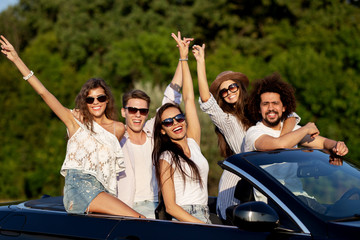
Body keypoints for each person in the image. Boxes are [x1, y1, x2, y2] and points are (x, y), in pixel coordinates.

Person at [0, 35, 143, 217]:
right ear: (85, 102)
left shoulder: (118, 128)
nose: (95, 102)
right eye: (90, 99)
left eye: (100, 98)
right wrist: (16, 59)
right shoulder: (75, 121)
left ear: (107, 99)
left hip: (104, 192)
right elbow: (44, 93)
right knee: (139, 218)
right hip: (80, 188)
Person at [191, 44, 300, 221]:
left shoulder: (257, 112)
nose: (228, 93)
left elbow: (290, 115)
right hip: (235, 180)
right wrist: (200, 62)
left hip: (261, 178)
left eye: (232, 87)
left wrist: (282, 140)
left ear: (240, 87)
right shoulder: (226, 120)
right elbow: (206, 100)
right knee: (234, 224)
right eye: (223, 91)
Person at [117, 51, 189, 218]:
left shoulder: (152, 132)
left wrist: (182, 57)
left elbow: (171, 99)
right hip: (128, 209)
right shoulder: (117, 138)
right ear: (123, 112)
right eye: (133, 110)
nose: (137, 114)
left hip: (158, 208)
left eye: (142, 111)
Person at [152, 32, 211, 224]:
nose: (176, 123)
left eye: (179, 118)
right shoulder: (166, 158)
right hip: (185, 220)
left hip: (204, 214)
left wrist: (184, 59)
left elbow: (188, 99)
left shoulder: (193, 142)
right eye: (168, 122)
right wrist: (202, 226)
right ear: (162, 130)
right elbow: (170, 207)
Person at [243, 72, 348, 157]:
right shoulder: (254, 133)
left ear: (284, 107)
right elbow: (280, 145)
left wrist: (337, 145)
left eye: (275, 103)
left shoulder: (293, 130)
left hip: (293, 184)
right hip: (263, 184)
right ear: (259, 109)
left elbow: (324, 143)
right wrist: (306, 128)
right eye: (265, 104)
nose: (271, 108)